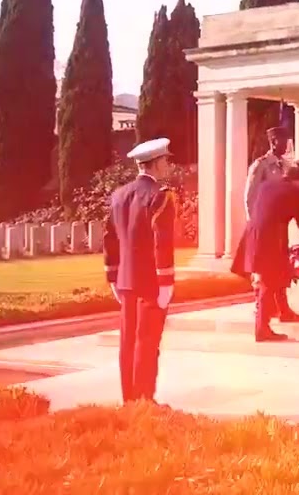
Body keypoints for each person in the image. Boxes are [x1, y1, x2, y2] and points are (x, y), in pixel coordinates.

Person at [103, 138, 177, 403]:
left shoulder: (119, 195)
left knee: (128, 343)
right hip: (150, 284)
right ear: (155, 164)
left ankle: (130, 400)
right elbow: (162, 243)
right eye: (165, 160)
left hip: (126, 282)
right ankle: (144, 401)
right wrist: (166, 282)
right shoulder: (160, 196)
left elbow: (110, 239)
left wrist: (113, 276)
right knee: (147, 342)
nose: (168, 165)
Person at [234, 165, 299, 341]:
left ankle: (282, 312)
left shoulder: (266, 186)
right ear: (298, 181)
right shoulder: (296, 192)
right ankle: (262, 328)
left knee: (274, 276)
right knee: (268, 282)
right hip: (271, 237)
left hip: (252, 233)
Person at [241, 125, 299, 322]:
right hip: (263, 227)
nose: (286, 145)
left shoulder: (285, 166)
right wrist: (255, 224)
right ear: (273, 142)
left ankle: (283, 308)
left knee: (281, 266)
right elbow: (250, 196)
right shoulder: (261, 166)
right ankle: (261, 309)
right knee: (263, 269)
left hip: (279, 227)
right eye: (283, 141)